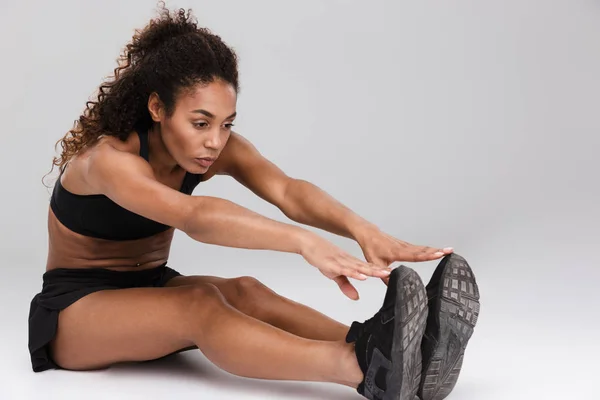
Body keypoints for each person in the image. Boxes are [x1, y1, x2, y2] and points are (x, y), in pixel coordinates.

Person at [28, 3, 480, 400]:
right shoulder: (110, 161)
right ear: (157, 108)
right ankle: (364, 370)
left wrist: (364, 231)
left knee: (247, 291)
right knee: (200, 305)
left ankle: (390, 348)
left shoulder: (210, 149)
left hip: (148, 286)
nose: (214, 141)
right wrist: (305, 243)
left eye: (226, 124)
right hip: (74, 310)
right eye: (200, 122)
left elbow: (287, 190)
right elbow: (195, 216)